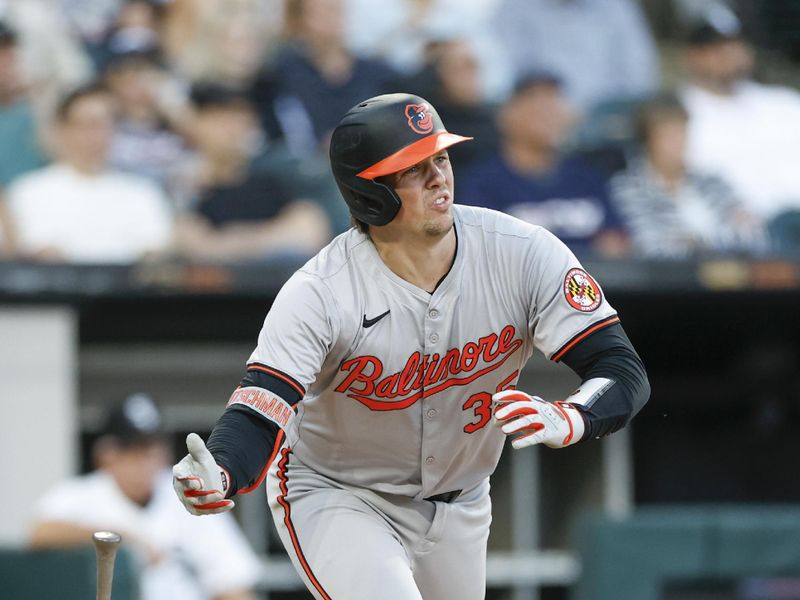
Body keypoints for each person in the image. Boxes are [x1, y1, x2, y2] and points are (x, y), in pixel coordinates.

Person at [171, 93, 650, 599]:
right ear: (370, 194)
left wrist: (574, 415)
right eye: (414, 168)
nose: (439, 177)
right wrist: (222, 471)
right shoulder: (321, 291)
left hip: (462, 500)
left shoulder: (523, 252)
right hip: (340, 493)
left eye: (440, 158)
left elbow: (621, 369)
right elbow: (261, 408)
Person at [29, 392, 262, 600]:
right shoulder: (84, 493)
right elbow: (40, 532)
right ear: (106, 455)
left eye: (152, 450)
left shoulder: (191, 494)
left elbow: (233, 585)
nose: (147, 462)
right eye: (135, 451)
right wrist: (122, 538)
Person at [458, 73, 629, 258]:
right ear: (508, 115)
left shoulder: (586, 175)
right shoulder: (484, 181)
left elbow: (617, 240)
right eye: (539, 109)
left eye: (554, 107)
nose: (550, 117)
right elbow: (478, 249)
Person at [5, 82, 173, 263]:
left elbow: (154, 256)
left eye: (105, 124)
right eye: (87, 125)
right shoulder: (27, 192)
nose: (96, 135)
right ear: (62, 129)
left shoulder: (143, 193)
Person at [171, 83, 332, 262]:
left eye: (241, 121)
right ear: (197, 122)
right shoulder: (184, 188)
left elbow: (309, 228)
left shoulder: (269, 178)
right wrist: (268, 238)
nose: (233, 130)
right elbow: (191, 243)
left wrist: (228, 241)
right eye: (222, 120)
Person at [679, 8, 800, 225]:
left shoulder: (786, 103)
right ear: (692, 56)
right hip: (737, 239)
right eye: (716, 48)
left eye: (736, 44)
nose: (729, 55)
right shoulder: (676, 114)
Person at [609, 92, 765, 258]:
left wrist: (694, 243)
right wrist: (721, 240)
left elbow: (754, 237)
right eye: (668, 136)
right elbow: (652, 247)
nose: (679, 143)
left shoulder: (712, 181)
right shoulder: (628, 188)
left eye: (682, 133)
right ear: (648, 141)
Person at [492, 0, 659, 112]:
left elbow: (639, 79)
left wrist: (594, 113)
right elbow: (502, 76)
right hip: (538, 118)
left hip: (605, 121)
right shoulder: (515, 7)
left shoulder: (617, 7)